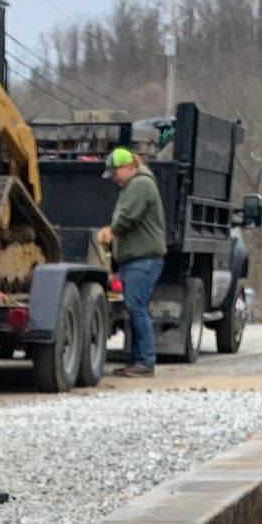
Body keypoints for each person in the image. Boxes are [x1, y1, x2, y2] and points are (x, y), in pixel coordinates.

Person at [98, 144, 167, 376]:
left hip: (143, 259)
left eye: (115, 173)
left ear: (128, 166)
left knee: (136, 307)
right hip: (136, 259)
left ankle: (145, 362)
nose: (113, 179)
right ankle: (138, 361)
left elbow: (127, 217)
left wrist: (112, 231)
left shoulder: (140, 184)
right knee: (135, 307)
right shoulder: (133, 185)